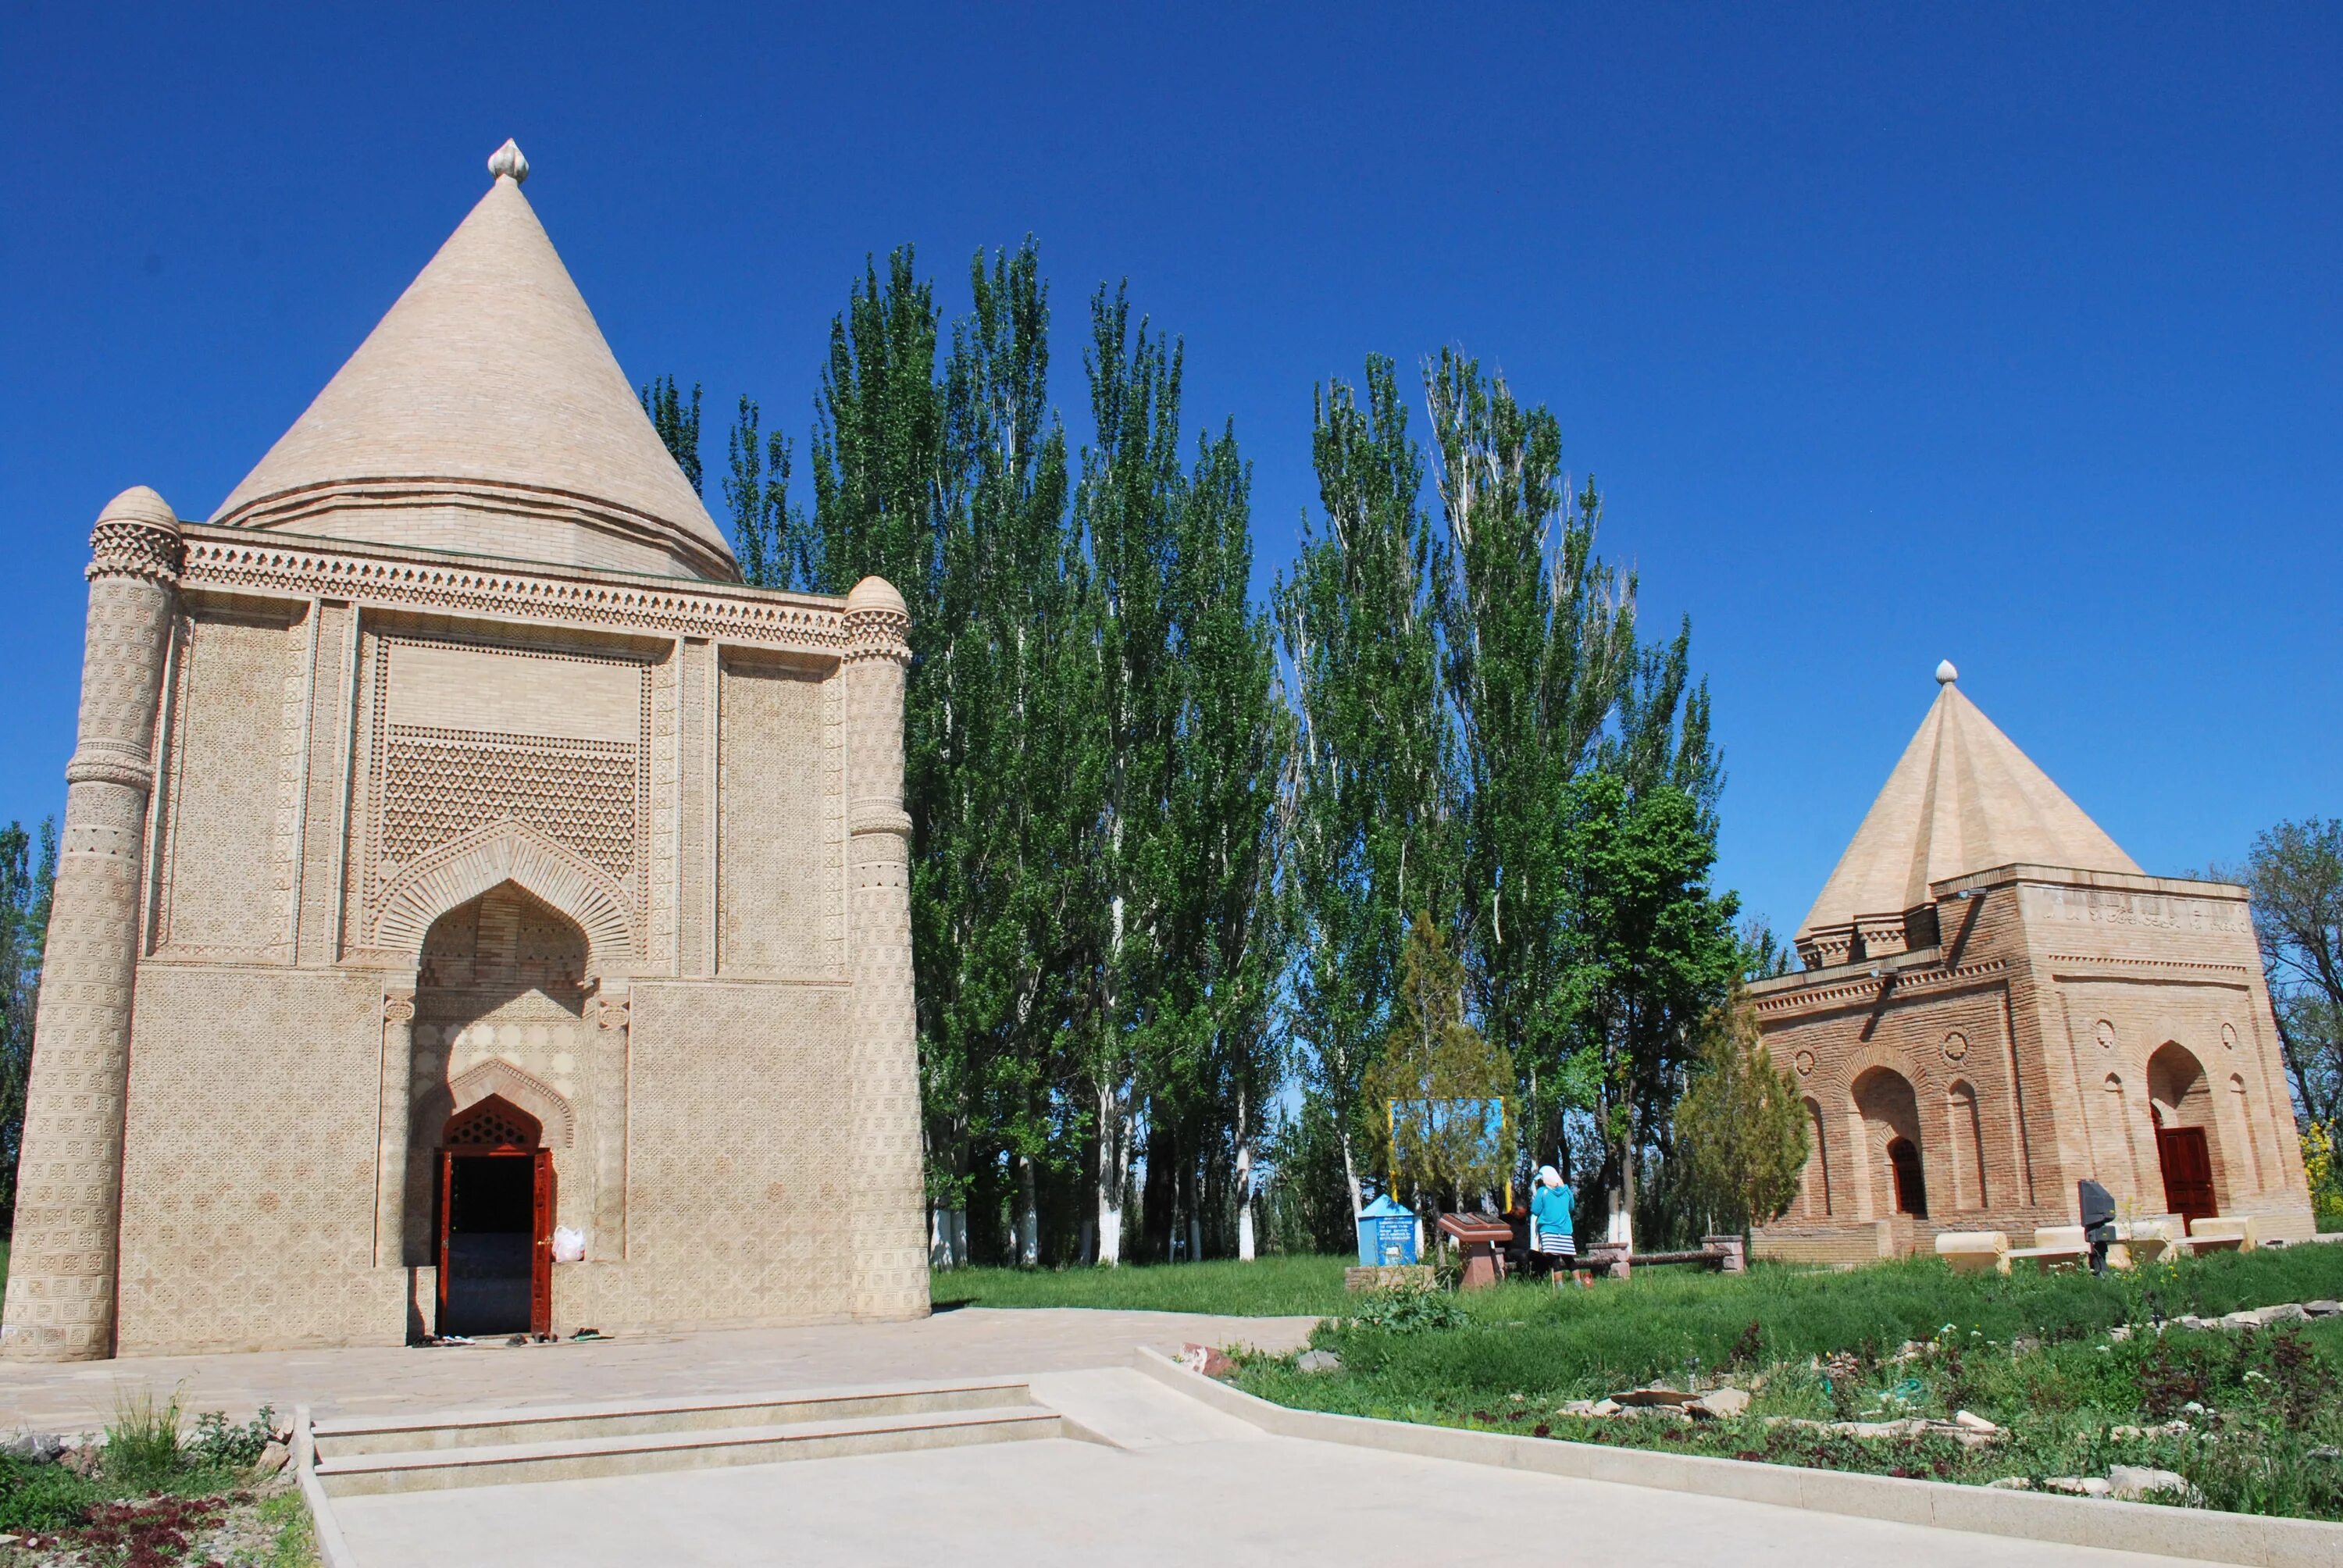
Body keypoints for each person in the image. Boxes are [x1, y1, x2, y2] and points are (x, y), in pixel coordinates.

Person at [1530, 1164, 1575, 1278]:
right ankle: (1578, 1283)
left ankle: (1559, 1287)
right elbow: (1571, 1207)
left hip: (1548, 1230)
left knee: (1554, 1260)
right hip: (1565, 1230)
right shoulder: (1567, 1192)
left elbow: (1535, 1210)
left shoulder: (1543, 1191)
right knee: (1569, 1258)